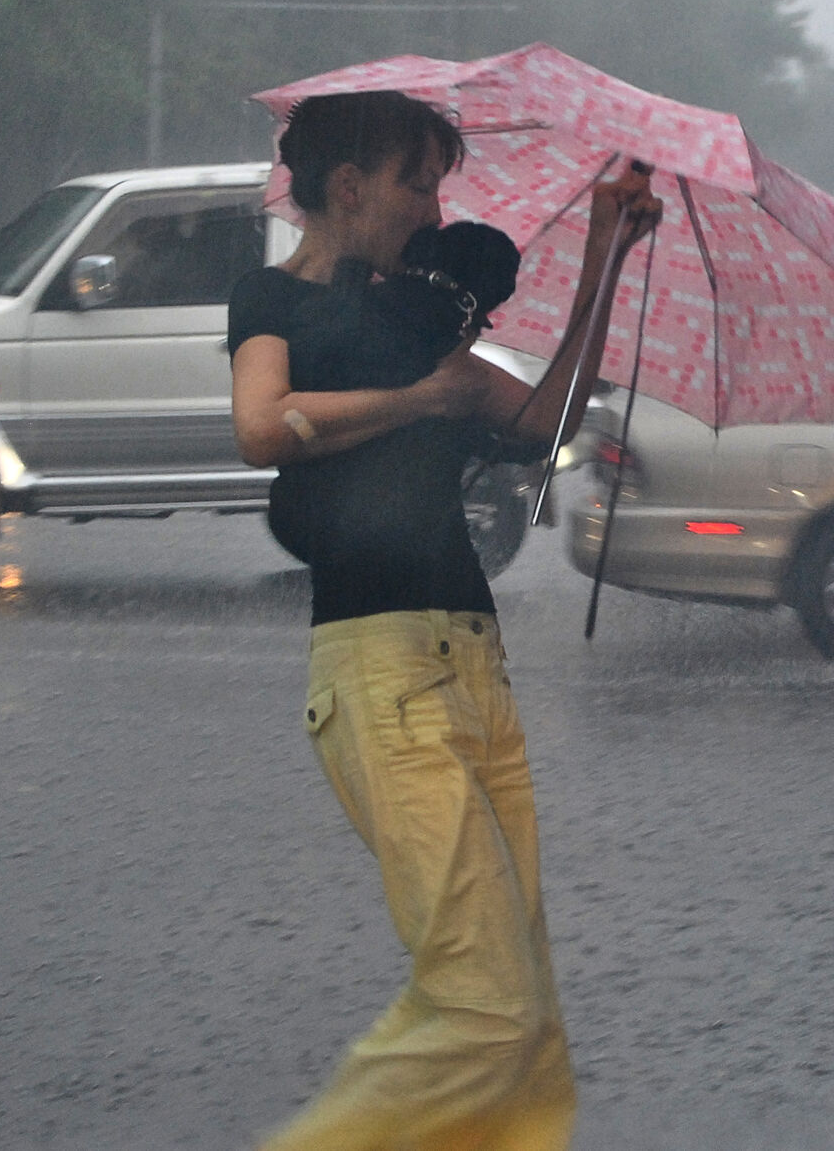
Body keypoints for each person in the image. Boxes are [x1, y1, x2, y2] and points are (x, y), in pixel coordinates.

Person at [227, 90, 659, 1151]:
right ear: (349, 186)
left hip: (474, 678)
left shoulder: (428, 330)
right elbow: (260, 424)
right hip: (382, 678)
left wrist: (603, 257)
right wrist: (423, 400)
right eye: (420, 180)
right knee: (481, 1006)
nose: (434, 206)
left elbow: (550, 421)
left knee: (526, 1026)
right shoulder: (275, 303)